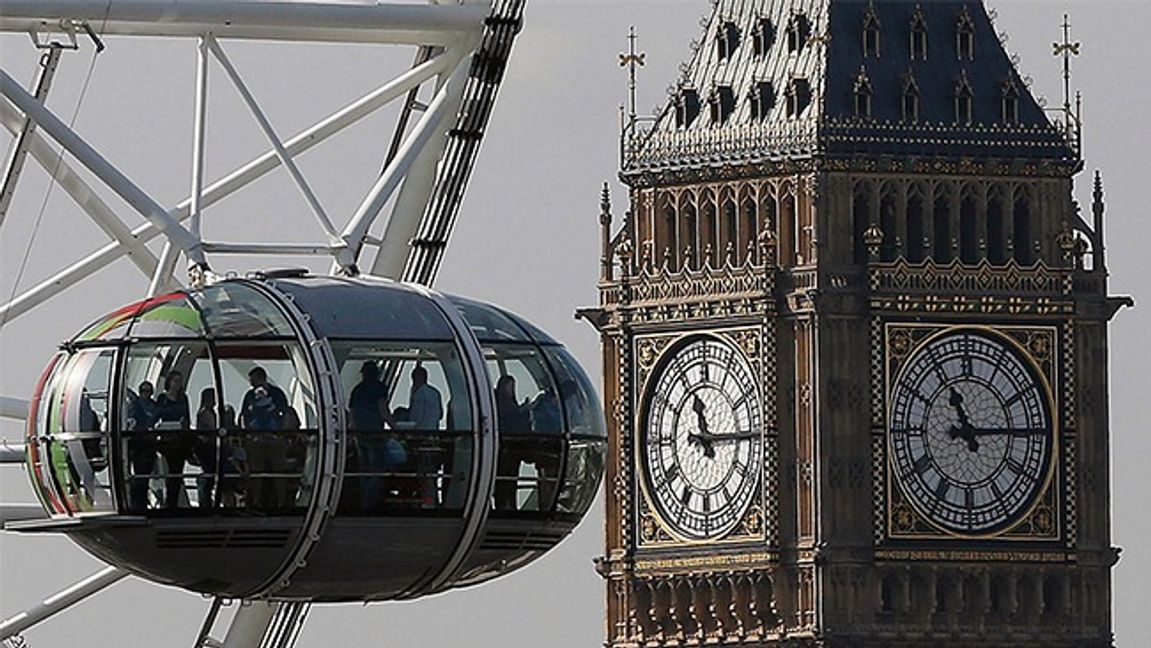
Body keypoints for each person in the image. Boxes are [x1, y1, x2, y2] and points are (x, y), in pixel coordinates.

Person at [348, 361, 396, 511]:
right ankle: (370, 502)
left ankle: (363, 499)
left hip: (360, 435)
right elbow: (383, 409)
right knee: (376, 468)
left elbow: (352, 413)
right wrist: (395, 427)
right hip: (375, 434)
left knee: (364, 467)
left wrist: (353, 431)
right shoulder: (379, 388)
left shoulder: (357, 389)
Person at [240, 366, 290, 509]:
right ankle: (256, 502)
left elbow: (285, 413)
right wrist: (248, 434)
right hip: (256, 439)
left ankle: (282, 502)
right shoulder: (249, 396)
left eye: (253, 381)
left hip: (274, 438)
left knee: (279, 470)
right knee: (256, 472)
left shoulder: (277, 394)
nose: (251, 384)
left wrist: (281, 434)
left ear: (261, 378)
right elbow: (244, 416)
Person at [155, 371, 191, 509]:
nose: (177, 384)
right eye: (175, 381)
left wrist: (184, 426)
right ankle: (169, 501)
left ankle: (173, 502)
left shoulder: (183, 398)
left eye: (179, 381)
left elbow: (186, 417)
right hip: (167, 439)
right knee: (169, 470)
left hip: (180, 438)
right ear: (169, 382)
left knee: (177, 471)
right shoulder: (163, 398)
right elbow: (157, 415)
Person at [408, 366, 443, 506]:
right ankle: (433, 500)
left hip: (421, 439)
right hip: (433, 437)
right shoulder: (435, 393)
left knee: (422, 472)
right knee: (431, 473)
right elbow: (440, 415)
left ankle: (426, 501)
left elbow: (414, 419)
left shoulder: (418, 395)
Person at [494, 375, 531, 509]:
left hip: (508, 448)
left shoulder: (499, 402)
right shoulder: (504, 403)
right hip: (508, 449)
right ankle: (507, 504)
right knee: (507, 480)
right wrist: (524, 411)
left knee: (507, 480)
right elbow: (511, 420)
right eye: (510, 387)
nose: (512, 390)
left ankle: (506, 504)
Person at [125, 381, 158, 510]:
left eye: (148, 391)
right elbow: (131, 421)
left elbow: (156, 419)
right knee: (138, 474)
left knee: (145, 475)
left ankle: (142, 502)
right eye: (143, 391)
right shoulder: (135, 405)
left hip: (149, 443)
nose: (146, 394)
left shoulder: (153, 406)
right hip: (137, 443)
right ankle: (136, 503)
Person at [194, 387, 220, 509]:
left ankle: (206, 501)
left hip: (209, 446)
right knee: (208, 474)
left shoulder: (206, 412)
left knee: (210, 474)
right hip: (207, 447)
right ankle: (205, 502)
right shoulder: (205, 413)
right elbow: (210, 428)